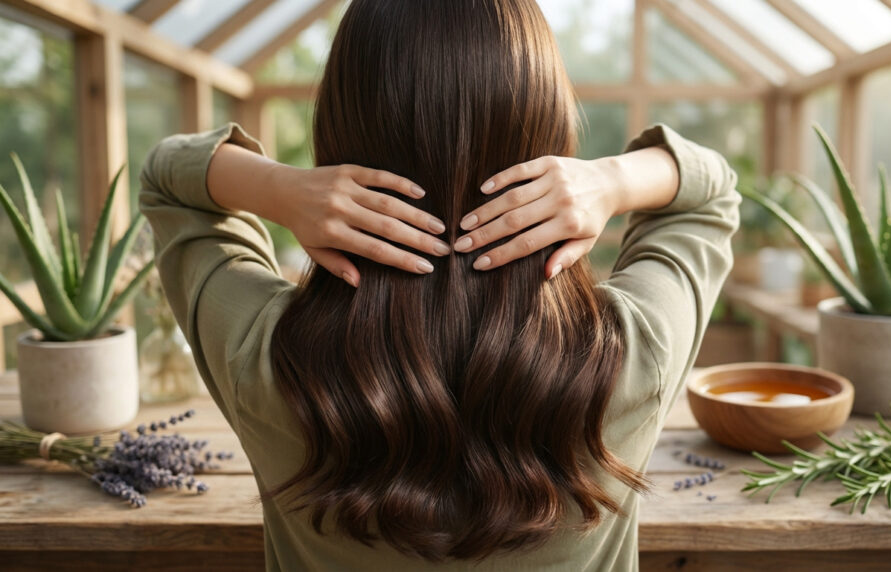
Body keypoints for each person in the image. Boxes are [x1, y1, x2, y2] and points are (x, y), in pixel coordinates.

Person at [139, 0, 739, 569]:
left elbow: (167, 177)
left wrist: (282, 188)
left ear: (337, 130)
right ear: (551, 135)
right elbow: (710, 192)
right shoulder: (634, 354)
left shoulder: (263, 359)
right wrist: (612, 180)